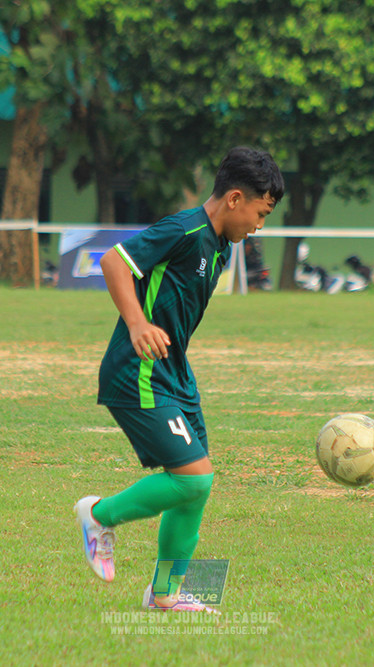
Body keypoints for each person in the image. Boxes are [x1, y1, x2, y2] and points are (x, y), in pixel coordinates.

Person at [74, 146, 284, 612]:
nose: (259, 225)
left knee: (197, 485)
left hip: (174, 372)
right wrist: (136, 322)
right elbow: (113, 262)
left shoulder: (222, 247)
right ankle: (97, 515)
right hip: (138, 370)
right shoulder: (184, 229)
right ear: (234, 199)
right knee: (192, 480)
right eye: (260, 212)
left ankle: (164, 595)